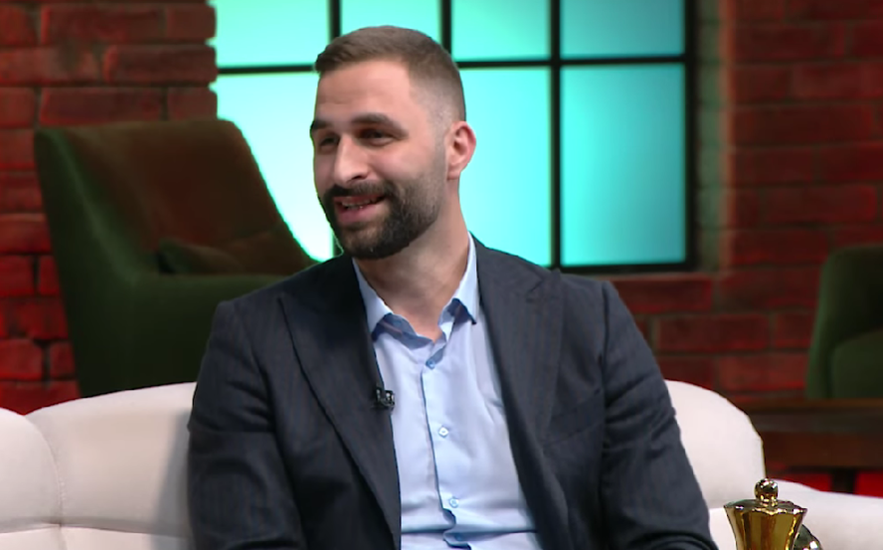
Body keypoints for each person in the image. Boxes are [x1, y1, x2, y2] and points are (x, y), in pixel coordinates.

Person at [187, 25, 717, 550]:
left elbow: (669, 535)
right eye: (327, 142)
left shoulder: (586, 320)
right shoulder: (257, 340)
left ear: (457, 149)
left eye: (375, 135)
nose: (342, 170)